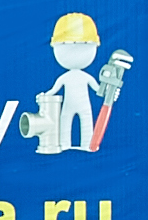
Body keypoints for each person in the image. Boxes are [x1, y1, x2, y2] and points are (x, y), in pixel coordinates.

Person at [21, 12, 132, 153]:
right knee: (66, 122)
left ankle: (87, 145)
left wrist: (110, 93)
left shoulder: (84, 77)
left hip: (84, 106)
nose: (74, 51)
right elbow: (54, 89)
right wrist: (45, 96)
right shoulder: (66, 78)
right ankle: (65, 144)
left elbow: (99, 90)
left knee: (85, 122)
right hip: (68, 106)